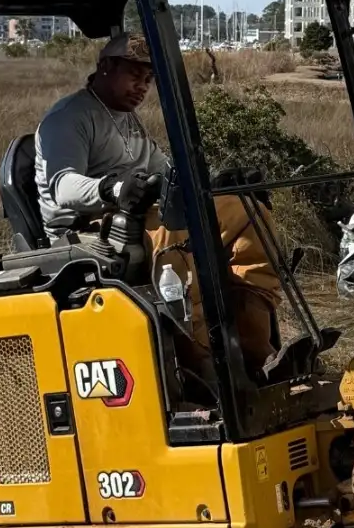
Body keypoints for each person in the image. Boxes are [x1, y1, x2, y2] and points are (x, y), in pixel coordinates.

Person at [33, 31, 281, 374]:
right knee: (178, 237)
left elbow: (163, 172)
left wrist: (214, 188)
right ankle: (201, 365)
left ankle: (255, 343)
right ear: (105, 67)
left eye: (148, 79)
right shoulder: (69, 118)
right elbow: (62, 186)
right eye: (135, 75)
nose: (142, 86)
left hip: (134, 217)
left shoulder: (126, 119)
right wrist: (112, 188)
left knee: (247, 212)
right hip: (83, 230)